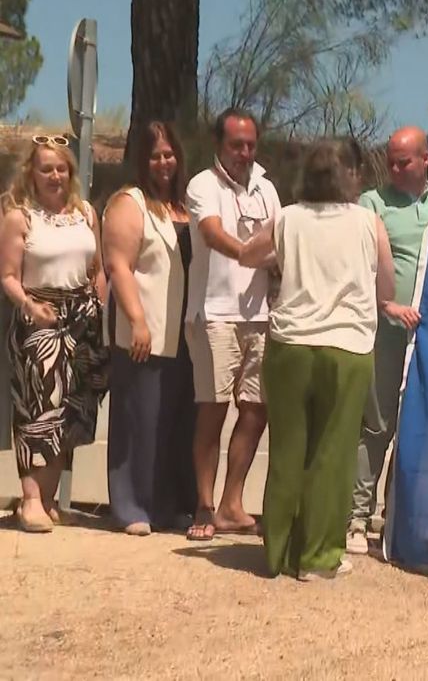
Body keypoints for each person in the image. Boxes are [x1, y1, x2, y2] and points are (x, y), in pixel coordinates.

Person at [240, 139, 408, 580]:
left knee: (288, 450)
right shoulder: (369, 223)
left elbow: (246, 254)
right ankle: (317, 558)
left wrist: (288, 254)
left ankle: (277, 552)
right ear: (350, 175)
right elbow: (386, 289)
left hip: (290, 344)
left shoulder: (288, 217)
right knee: (331, 454)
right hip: (346, 347)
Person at [347, 126, 428, 555]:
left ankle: (399, 515)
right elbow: (356, 266)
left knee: (420, 425)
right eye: (391, 161)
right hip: (385, 331)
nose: (396, 169)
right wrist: (385, 305)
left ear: (426, 159)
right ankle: (356, 518)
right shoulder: (371, 204)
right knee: (376, 424)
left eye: (405, 161)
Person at [0, 137, 109, 533]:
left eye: (61, 168)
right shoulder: (19, 217)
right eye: (46, 168)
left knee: (73, 411)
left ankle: (46, 501)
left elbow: (97, 268)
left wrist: (98, 306)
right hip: (39, 319)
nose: (55, 175)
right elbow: (8, 276)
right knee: (37, 411)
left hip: (82, 319)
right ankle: (30, 499)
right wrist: (30, 307)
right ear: (32, 172)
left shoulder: (85, 213)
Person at [184, 108, 282, 541]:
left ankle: (231, 504)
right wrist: (246, 251)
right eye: (235, 145)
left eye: (249, 144)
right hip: (214, 314)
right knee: (213, 411)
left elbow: (282, 238)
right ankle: (203, 506)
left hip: (260, 316)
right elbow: (210, 232)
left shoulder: (266, 188)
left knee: (256, 409)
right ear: (218, 145)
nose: (244, 152)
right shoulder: (202, 184)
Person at [102, 121, 198, 536]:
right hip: (144, 329)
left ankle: (166, 506)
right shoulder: (130, 202)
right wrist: (137, 319)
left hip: (183, 333)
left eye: (169, 154)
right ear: (141, 160)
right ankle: (130, 507)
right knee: (138, 421)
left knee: (173, 424)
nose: (164, 162)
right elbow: (118, 265)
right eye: (155, 155)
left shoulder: (185, 207)